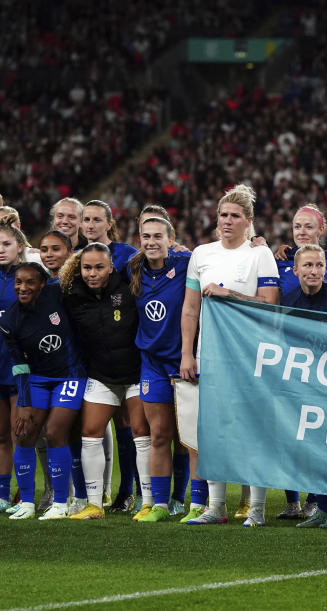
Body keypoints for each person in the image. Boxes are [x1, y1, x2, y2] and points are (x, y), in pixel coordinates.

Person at [180, 185, 280, 527]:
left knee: (253, 431)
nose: (227, 220)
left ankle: (256, 510)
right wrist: (187, 354)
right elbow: (191, 309)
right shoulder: (201, 254)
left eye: (235, 216)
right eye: (223, 214)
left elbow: (270, 304)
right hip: (211, 355)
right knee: (214, 431)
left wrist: (229, 294)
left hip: (251, 356)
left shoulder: (259, 255)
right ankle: (216, 507)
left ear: (248, 221)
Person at [58, 244, 150, 521]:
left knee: (141, 435)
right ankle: (95, 505)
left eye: (99, 267)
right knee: (90, 433)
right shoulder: (71, 295)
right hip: (101, 375)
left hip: (135, 373)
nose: (92, 273)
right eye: (87, 267)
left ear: (111, 267)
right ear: (79, 268)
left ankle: (148, 502)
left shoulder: (128, 287)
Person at [278, 245, 327, 529]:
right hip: (304, 386)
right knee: (311, 448)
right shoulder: (289, 300)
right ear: (296, 269)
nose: (314, 271)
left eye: (319, 265)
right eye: (308, 266)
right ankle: (322, 508)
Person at [0, 262, 87, 520]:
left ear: (41, 284)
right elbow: (19, 363)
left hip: (70, 375)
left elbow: (75, 271)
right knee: (23, 432)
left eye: (29, 282)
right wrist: (24, 402)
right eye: (18, 282)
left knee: (54, 431)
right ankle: (26, 502)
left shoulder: (55, 293)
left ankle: (60, 502)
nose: (22, 287)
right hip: (36, 378)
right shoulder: (9, 320)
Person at [124, 216, 192, 522]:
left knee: (186, 436)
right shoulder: (132, 268)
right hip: (151, 363)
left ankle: (183, 499)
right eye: (145, 236)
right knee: (159, 434)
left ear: (170, 240)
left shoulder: (187, 263)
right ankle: (160, 504)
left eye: (157, 236)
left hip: (183, 362)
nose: (151, 241)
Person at [0, 220, 27, 511]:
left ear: (20, 246)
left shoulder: (30, 277)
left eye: (6, 244)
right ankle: (2, 493)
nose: (0, 250)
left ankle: (26, 494)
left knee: (19, 433)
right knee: (0, 435)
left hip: (19, 368)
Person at [275, 204, 327, 296]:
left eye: (308, 227)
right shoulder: (281, 259)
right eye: (297, 227)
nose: (302, 233)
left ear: (321, 229)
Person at [81, 201, 137, 270]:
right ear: (81, 224)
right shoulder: (75, 257)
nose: (90, 225)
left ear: (109, 225)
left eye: (97, 220)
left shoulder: (127, 253)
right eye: (86, 220)